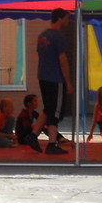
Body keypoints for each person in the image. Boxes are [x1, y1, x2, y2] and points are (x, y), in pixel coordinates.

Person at [36, 9, 73, 150]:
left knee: (48, 108)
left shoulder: (42, 36)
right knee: (55, 111)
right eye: (66, 18)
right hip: (55, 78)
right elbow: (62, 60)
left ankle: (33, 134)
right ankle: (52, 143)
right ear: (60, 19)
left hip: (43, 76)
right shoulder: (58, 37)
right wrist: (68, 82)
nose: (67, 21)